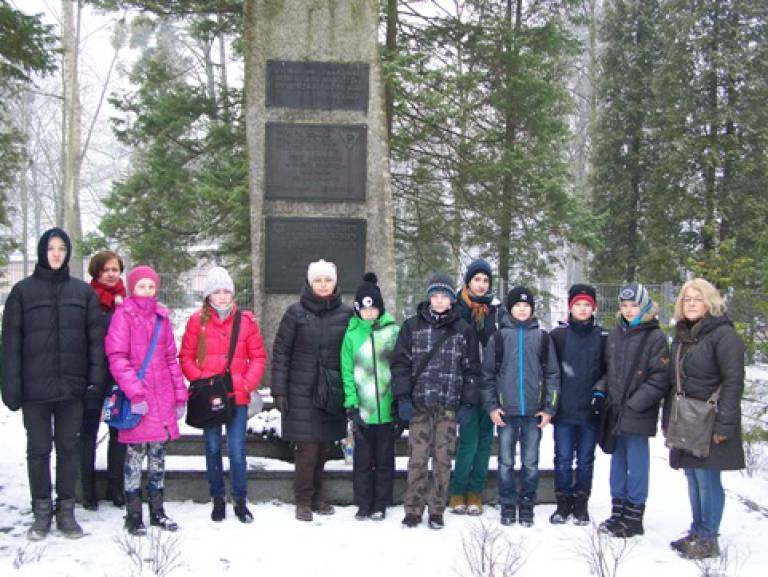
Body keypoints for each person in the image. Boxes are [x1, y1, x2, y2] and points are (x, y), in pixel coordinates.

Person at [1, 228, 104, 540]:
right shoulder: (22, 292)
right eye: (51, 248)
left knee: (68, 450)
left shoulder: (83, 293)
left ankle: (67, 512)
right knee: (38, 451)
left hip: (72, 390)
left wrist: (94, 383)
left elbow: (95, 344)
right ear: (42, 252)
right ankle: (42, 512)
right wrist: (11, 388)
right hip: (35, 392)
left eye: (61, 248)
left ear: (68, 253)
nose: (56, 254)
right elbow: (10, 345)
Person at [391, 274, 481, 530]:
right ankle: (413, 509)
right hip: (420, 406)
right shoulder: (412, 327)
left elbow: (472, 370)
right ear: (429, 297)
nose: (440, 301)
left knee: (443, 461)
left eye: (444, 296)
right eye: (435, 296)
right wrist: (403, 398)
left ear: (452, 300)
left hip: (449, 407)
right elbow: (400, 365)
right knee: (417, 459)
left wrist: (467, 403)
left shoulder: (463, 330)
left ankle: (437, 510)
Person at [665, 279, 745, 559]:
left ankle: (709, 537)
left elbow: (734, 381)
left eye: (697, 299)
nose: (691, 304)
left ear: (710, 302)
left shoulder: (724, 335)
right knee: (693, 476)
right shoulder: (685, 335)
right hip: (687, 418)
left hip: (712, 418)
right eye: (687, 299)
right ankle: (698, 531)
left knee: (708, 479)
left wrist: (725, 424)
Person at [180, 266, 267, 523]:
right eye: (216, 291)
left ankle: (240, 499)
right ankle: (217, 497)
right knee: (212, 446)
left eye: (225, 291)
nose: (221, 296)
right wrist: (199, 378)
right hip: (209, 399)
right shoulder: (197, 321)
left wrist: (245, 383)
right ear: (208, 295)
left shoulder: (246, 321)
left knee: (238, 450)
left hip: (236, 396)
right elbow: (185, 355)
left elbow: (258, 357)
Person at [106, 266, 187, 535]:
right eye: (142, 286)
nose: (147, 291)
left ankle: (157, 511)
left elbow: (170, 359)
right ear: (132, 288)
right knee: (134, 459)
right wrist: (135, 393)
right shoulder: (123, 317)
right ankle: (133, 514)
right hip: (139, 400)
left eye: (151, 286)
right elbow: (117, 357)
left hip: (162, 399)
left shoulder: (162, 318)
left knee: (158, 458)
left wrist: (179, 395)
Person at [271, 259, 352, 522]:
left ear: (335, 282)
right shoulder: (295, 313)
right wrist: (279, 391)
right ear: (309, 282)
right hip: (301, 391)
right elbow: (281, 353)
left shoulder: (346, 314)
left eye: (327, 280)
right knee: (307, 450)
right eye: (318, 280)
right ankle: (303, 500)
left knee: (324, 448)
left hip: (330, 393)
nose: (323, 284)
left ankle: (318, 496)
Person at [481, 286, 560, 527]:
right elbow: (488, 376)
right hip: (506, 413)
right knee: (505, 462)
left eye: (526, 305)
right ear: (510, 308)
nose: (522, 309)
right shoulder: (499, 337)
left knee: (530, 462)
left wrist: (549, 408)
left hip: (533, 414)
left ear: (532, 309)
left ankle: (526, 503)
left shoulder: (543, 337)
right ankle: (507, 502)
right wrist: (493, 407)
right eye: (517, 305)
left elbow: (553, 375)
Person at [597, 283, 670, 538]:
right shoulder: (617, 333)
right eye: (625, 306)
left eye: (634, 305)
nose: (628, 311)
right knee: (617, 461)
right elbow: (610, 370)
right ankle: (618, 510)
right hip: (615, 409)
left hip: (638, 411)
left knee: (636, 463)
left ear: (645, 306)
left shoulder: (655, 336)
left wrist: (634, 403)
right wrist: (601, 391)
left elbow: (660, 378)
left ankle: (634, 514)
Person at [341, 273, 400, 521]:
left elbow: (400, 368)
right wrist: (352, 405)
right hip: (363, 411)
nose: (369, 313)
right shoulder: (351, 335)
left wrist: (398, 402)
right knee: (363, 462)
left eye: (374, 308)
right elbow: (346, 372)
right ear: (357, 309)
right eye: (364, 309)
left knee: (385, 461)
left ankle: (380, 503)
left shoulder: (393, 331)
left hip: (386, 410)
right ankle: (364, 503)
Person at [549, 284, 607, 525]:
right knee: (562, 459)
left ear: (593, 308)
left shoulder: (602, 336)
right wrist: (551, 404)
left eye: (587, 305)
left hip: (590, 411)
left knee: (585, 461)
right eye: (578, 305)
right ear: (570, 307)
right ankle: (562, 503)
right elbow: (551, 371)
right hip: (564, 410)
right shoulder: (558, 336)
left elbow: (608, 370)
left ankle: (581, 503)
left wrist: (600, 392)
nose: (582, 309)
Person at [449, 259, 502, 516]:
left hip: (490, 384)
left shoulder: (497, 312)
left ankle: (475, 492)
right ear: (468, 281)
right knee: (468, 440)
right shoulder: (457, 309)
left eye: (485, 280)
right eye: (476, 279)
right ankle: (458, 490)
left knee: (484, 441)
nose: (481, 285)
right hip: (465, 383)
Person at [80, 250, 127, 510]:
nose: (111, 274)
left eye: (115, 269)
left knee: (118, 432)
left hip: (117, 378)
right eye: (106, 269)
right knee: (88, 433)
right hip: (91, 376)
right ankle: (87, 489)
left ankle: (115, 486)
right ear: (97, 271)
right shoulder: (87, 298)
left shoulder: (127, 301)